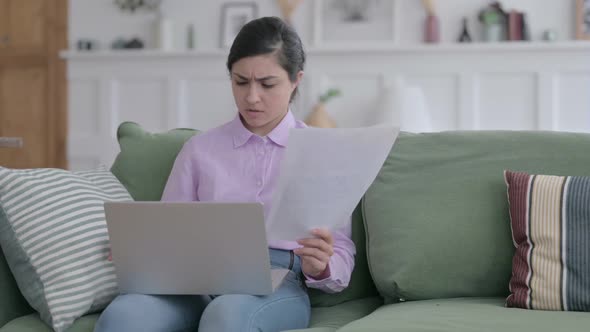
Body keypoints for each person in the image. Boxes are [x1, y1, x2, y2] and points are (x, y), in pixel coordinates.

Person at [94, 16, 355, 332]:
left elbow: (340, 249)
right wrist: (141, 252)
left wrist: (322, 266)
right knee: (124, 315)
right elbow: (170, 232)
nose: (252, 97)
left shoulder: (320, 151)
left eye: (267, 84)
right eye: (240, 81)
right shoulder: (199, 150)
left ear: (296, 80)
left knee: (227, 315)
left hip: (277, 281)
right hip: (194, 283)